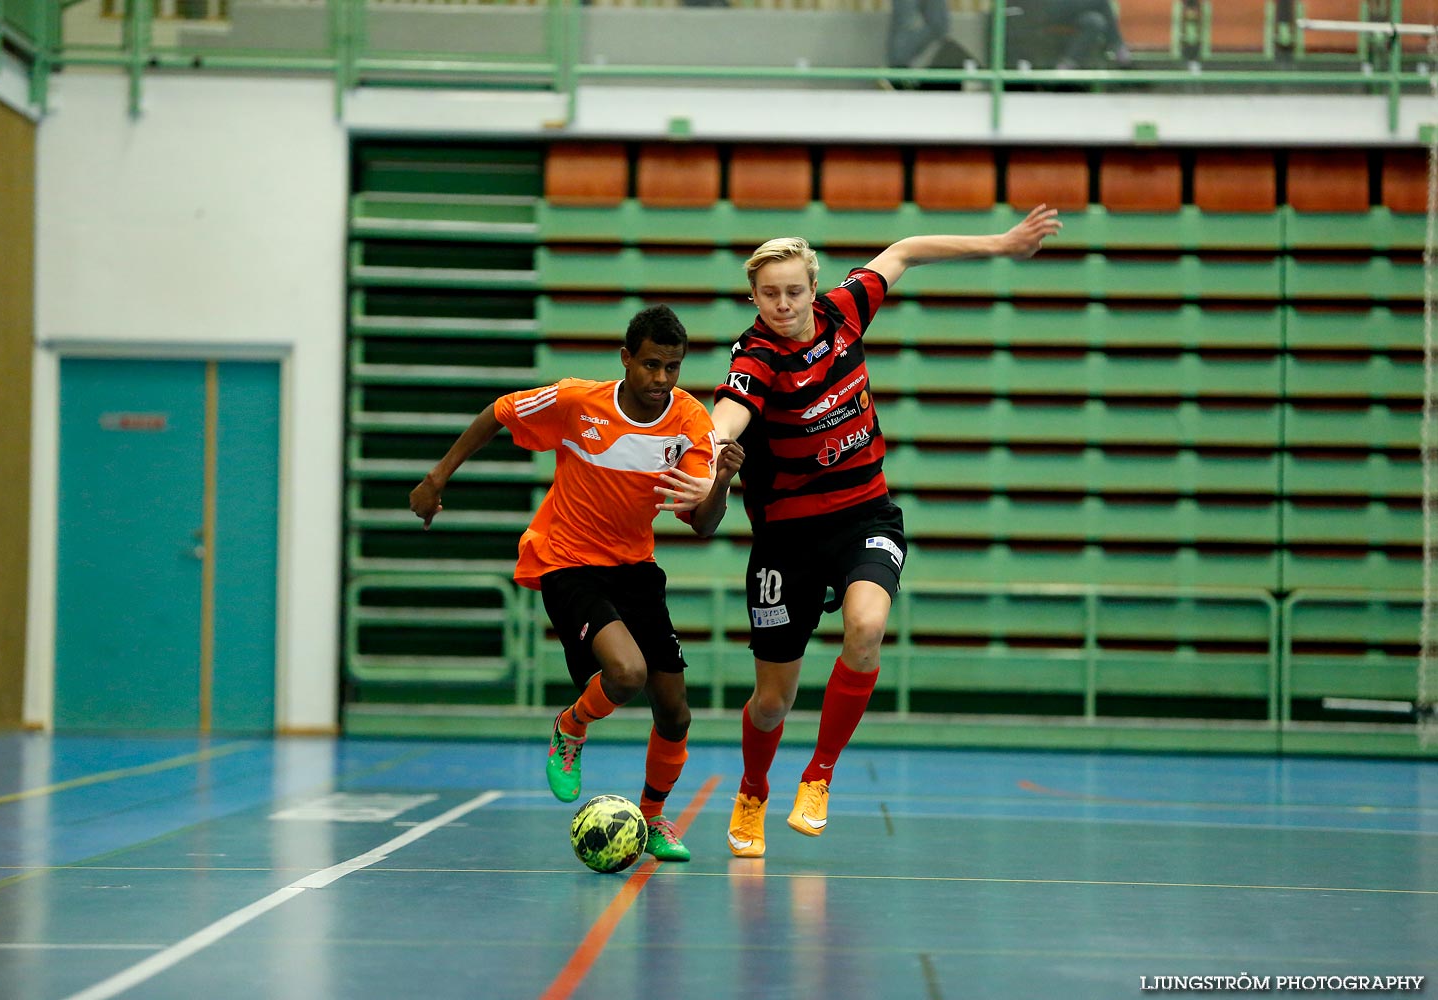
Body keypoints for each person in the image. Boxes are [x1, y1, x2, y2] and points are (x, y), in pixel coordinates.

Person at [709, 205, 1062, 858]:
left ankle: (819, 774)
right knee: (770, 703)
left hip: (864, 517)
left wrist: (1003, 243)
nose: (783, 304)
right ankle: (754, 786)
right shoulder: (755, 354)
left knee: (866, 627)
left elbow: (904, 249)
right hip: (786, 540)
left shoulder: (845, 311)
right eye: (769, 294)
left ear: (813, 288)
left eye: (794, 291)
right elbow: (730, 411)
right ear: (752, 296)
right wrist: (706, 442)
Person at [409, 304, 744, 863]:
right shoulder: (576, 401)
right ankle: (571, 727)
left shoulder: (690, 422)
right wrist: (435, 478)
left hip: (635, 567)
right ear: (626, 359)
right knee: (627, 673)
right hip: (567, 561)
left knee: (676, 712)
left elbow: (704, 524)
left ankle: (655, 817)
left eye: (673, 368)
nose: (661, 380)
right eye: (651, 365)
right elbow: (497, 412)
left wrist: (725, 480)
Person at [1035, 0, 1132, 70]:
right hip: (1050, 7)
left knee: (1095, 21)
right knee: (1102, 2)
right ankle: (1116, 44)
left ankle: (1069, 62)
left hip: (1074, 11)